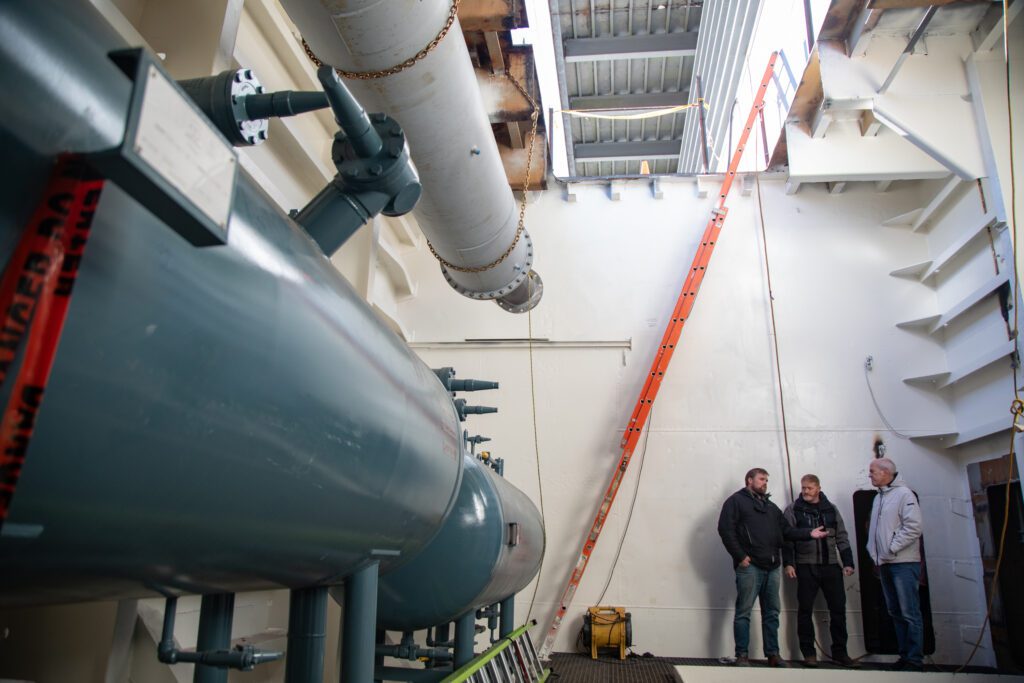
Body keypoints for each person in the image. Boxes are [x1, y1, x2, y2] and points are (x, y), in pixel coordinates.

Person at [718, 468, 827, 668]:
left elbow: (786, 531)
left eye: (767, 480)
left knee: (772, 613)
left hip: (772, 567)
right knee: (744, 612)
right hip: (750, 567)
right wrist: (740, 556)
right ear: (749, 480)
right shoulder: (735, 502)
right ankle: (742, 654)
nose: (765, 483)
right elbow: (725, 529)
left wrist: (808, 533)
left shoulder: (771, 507)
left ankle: (773, 654)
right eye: (761, 479)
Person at [783, 474, 859, 668]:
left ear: (818, 488)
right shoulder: (793, 510)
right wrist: (789, 563)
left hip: (831, 566)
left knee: (838, 611)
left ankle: (840, 653)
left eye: (809, 488)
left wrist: (848, 562)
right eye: (803, 488)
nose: (805, 491)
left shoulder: (831, 510)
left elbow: (842, 537)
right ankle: (809, 653)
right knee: (805, 610)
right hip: (806, 566)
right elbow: (787, 539)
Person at [867, 457, 924, 672]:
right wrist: (875, 553)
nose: (870, 475)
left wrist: (891, 547)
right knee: (895, 612)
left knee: (909, 612)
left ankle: (915, 659)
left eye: (872, 471)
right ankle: (905, 655)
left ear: (886, 472)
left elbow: (914, 526)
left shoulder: (904, 495)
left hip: (903, 563)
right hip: (886, 563)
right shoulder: (879, 497)